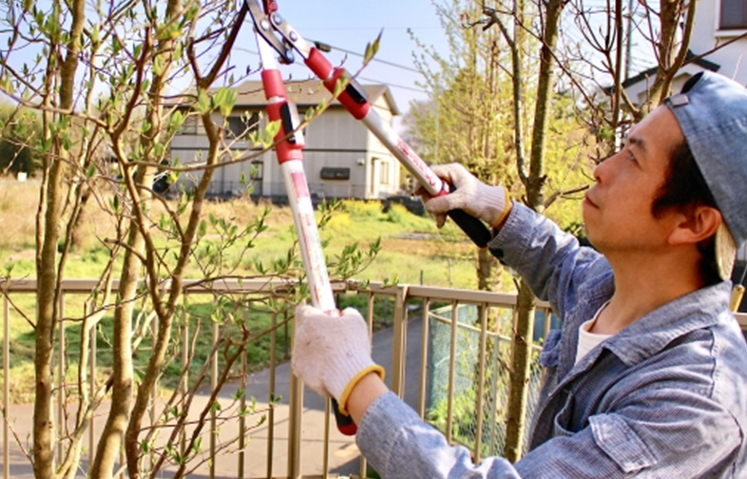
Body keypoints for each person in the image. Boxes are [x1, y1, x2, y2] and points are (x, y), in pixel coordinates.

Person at [291, 70, 747, 478]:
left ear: (692, 223)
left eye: (633, 159)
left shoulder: (697, 403)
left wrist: (355, 382)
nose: (601, 169)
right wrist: (492, 205)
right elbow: (558, 260)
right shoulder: (611, 290)